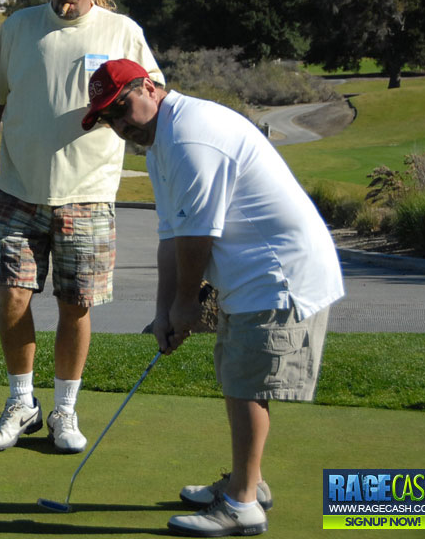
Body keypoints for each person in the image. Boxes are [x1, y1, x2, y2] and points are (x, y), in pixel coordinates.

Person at [83, 59, 345, 536]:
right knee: (238, 373)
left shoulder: (189, 137)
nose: (120, 125)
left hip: (279, 273)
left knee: (246, 382)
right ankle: (250, 481)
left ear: (149, 87)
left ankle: (242, 505)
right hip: (252, 274)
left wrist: (185, 305)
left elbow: (197, 238)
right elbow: (171, 237)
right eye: (108, 118)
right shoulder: (162, 141)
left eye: (122, 108)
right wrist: (164, 310)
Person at [0, 0, 165, 454]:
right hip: (17, 190)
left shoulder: (123, 32)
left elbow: (154, 104)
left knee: (75, 306)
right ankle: (22, 404)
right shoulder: (18, 28)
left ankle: (65, 411)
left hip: (90, 194)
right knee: (12, 298)